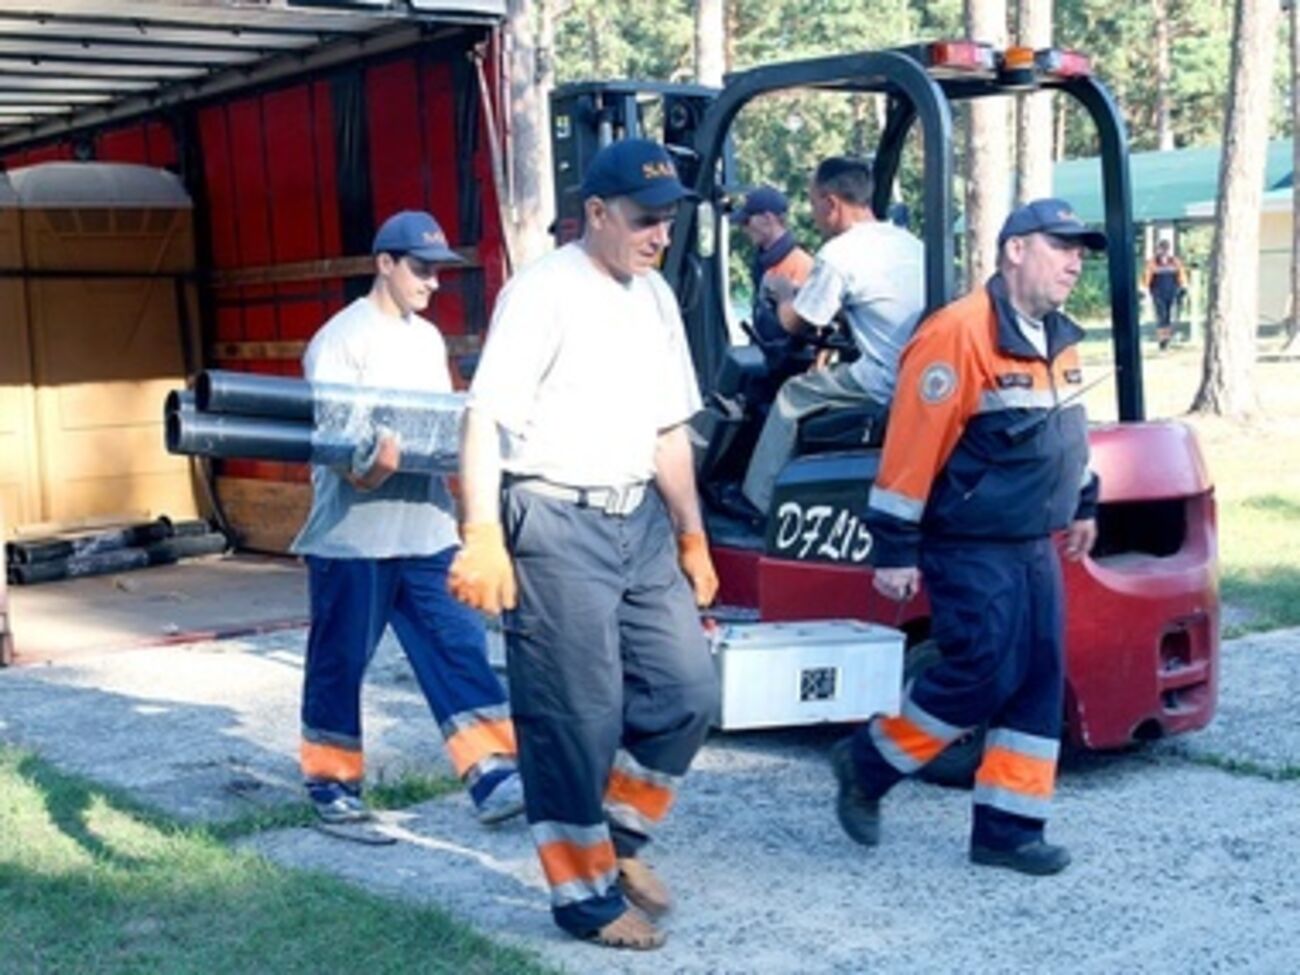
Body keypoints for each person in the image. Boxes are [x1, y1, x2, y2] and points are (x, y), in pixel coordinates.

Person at [448, 138, 720, 951]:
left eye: (668, 222)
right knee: (577, 716)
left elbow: (671, 429)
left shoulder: (654, 297)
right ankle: (585, 899)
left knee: (688, 690)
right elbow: (484, 419)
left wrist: (693, 534)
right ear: (595, 214)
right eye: (644, 221)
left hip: (636, 518)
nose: (658, 237)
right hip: (554, 521)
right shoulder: (543, 295)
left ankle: (621, 838)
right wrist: (483, 532)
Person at [829, 197, 1104, 877]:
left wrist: (1085, 500)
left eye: (1080, 250)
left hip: (1034, 540)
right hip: (969, 541)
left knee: (1037, 677)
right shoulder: (957, 333)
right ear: (1015, 249)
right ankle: (869, 761)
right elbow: (911, 446)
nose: (1075, 261)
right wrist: (894, 547)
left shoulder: (1058, 335)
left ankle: (1008, 830)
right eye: (1060, 245)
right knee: (982, 670)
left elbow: (1068, 433)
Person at [292, 210, 525, 832]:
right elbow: (340, 456)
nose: (433, 283)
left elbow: (441, 427)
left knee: (458, 645)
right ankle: (331, 784)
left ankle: (495, 771)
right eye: (421, 269)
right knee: (340, 662)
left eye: (438, 271)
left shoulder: (426, 338)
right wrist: (371, 467)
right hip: (353, 540)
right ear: (384, 264)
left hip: (427, 530)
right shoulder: (338, 342)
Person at [740, 156, 925, 515]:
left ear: (831, 203)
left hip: (884, 378)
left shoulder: (839, 254)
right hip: (917, 373)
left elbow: (795, 323)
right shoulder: (908, 243)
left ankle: (757, 502)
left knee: (792, 395)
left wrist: (783, 293)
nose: (812, 215)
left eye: (812, 204)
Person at [732, 184, 815, 352]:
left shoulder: (801, 264)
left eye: (747, 221)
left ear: (767, 219)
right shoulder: (762, 262)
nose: (744, 228)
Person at [1143, 238, 1187, 350]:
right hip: (1158, 292)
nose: (1164, 251)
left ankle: (1166, 338)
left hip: (1171, 292)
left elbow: (1181, 275)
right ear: (1158, 249)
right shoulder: (1153, 262)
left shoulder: (1175, 261)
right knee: (1161, 316)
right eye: (1162, 248)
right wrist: (1144, 289)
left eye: (1166, 248)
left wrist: (1183, 287)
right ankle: (1162, 340)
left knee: (1168, 316)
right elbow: (1147, 277)